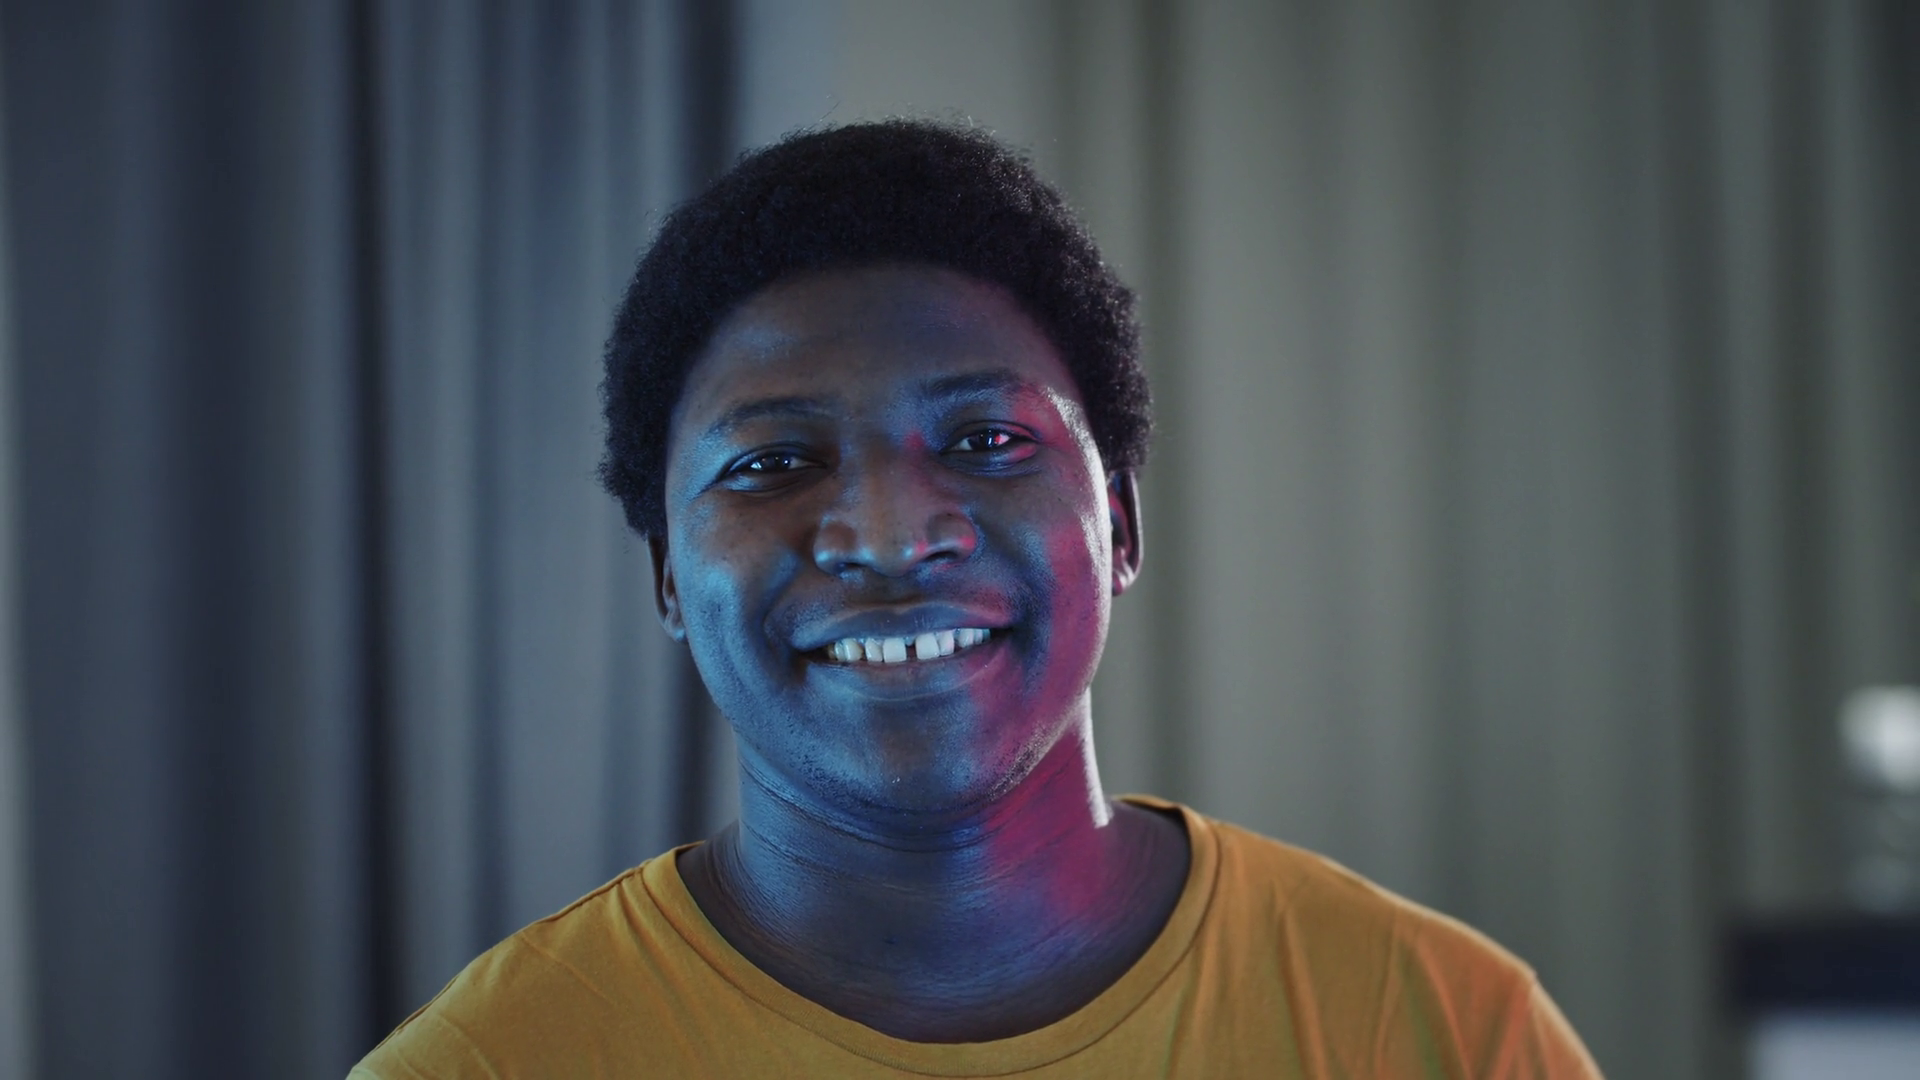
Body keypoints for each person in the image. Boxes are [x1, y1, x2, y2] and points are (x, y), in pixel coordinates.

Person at [350, 120, 1603, 1078]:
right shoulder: (490, 1065)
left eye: (988, 441)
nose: (893, 537)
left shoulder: (1443, 1026)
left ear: (1120, 524)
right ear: (670, 576)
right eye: (773, 463)